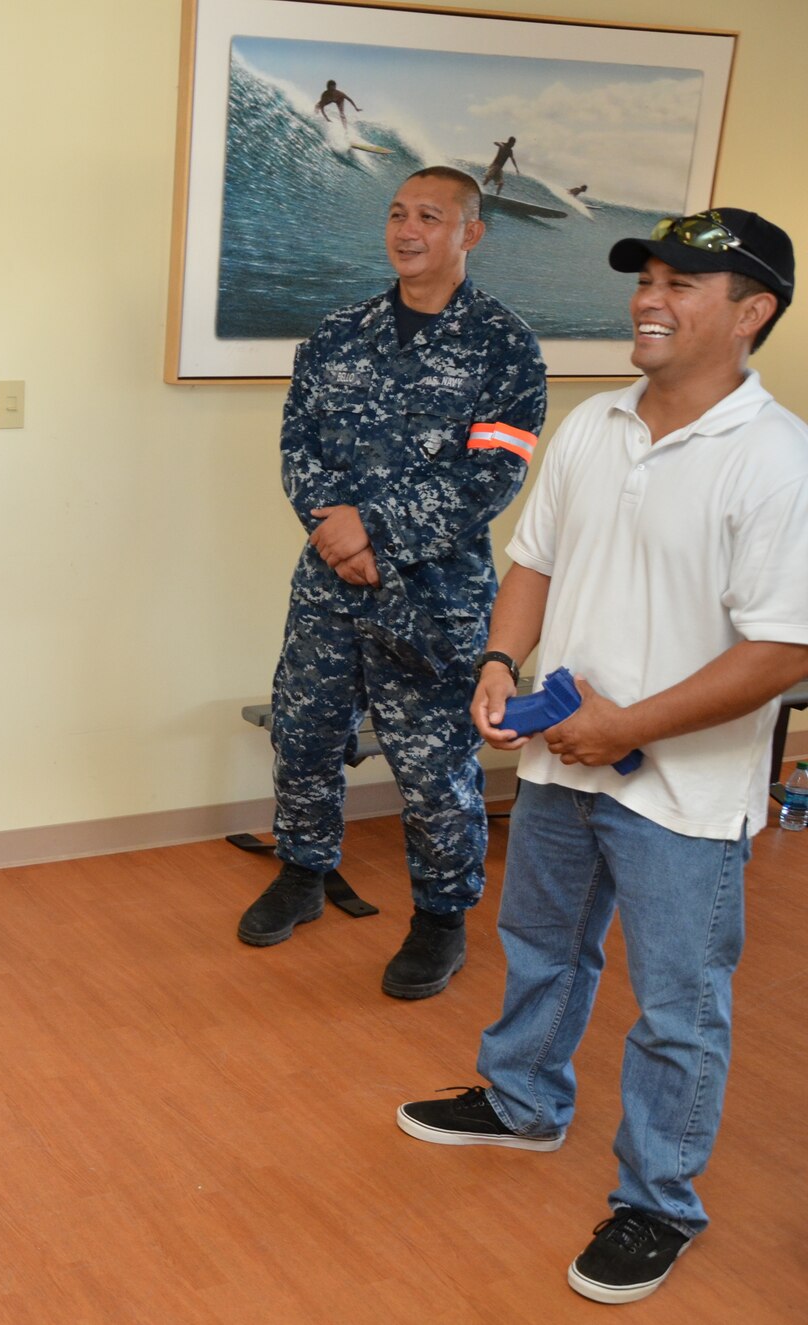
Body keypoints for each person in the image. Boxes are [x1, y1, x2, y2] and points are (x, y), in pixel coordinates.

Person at [398, 208, 808, 1306]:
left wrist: (629, 725)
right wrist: (498, 656)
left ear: (750, 312)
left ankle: (656, 1199)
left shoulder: (775, 460)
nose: (648, 299)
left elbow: (779, 650)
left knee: (677, 1004)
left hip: (681, 792)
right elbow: (530, 560)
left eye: (681, 285)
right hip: (557, 763)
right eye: (647, 278)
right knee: (538, 940)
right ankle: (522, 1099)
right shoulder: (591, 424)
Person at [240, 166, 546, 1000]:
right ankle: (303, 872)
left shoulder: (504, 345)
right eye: (397, 213)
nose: (407, 229)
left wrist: (375, 529)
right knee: (302, 736)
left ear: (470, 232)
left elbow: (495, 475)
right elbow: (297, 443)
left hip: (437, 599)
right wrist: (334, 534)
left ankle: (441, 920)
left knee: (432, 766)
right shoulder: (340, 332)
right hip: (328, 587)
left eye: (430, 216)